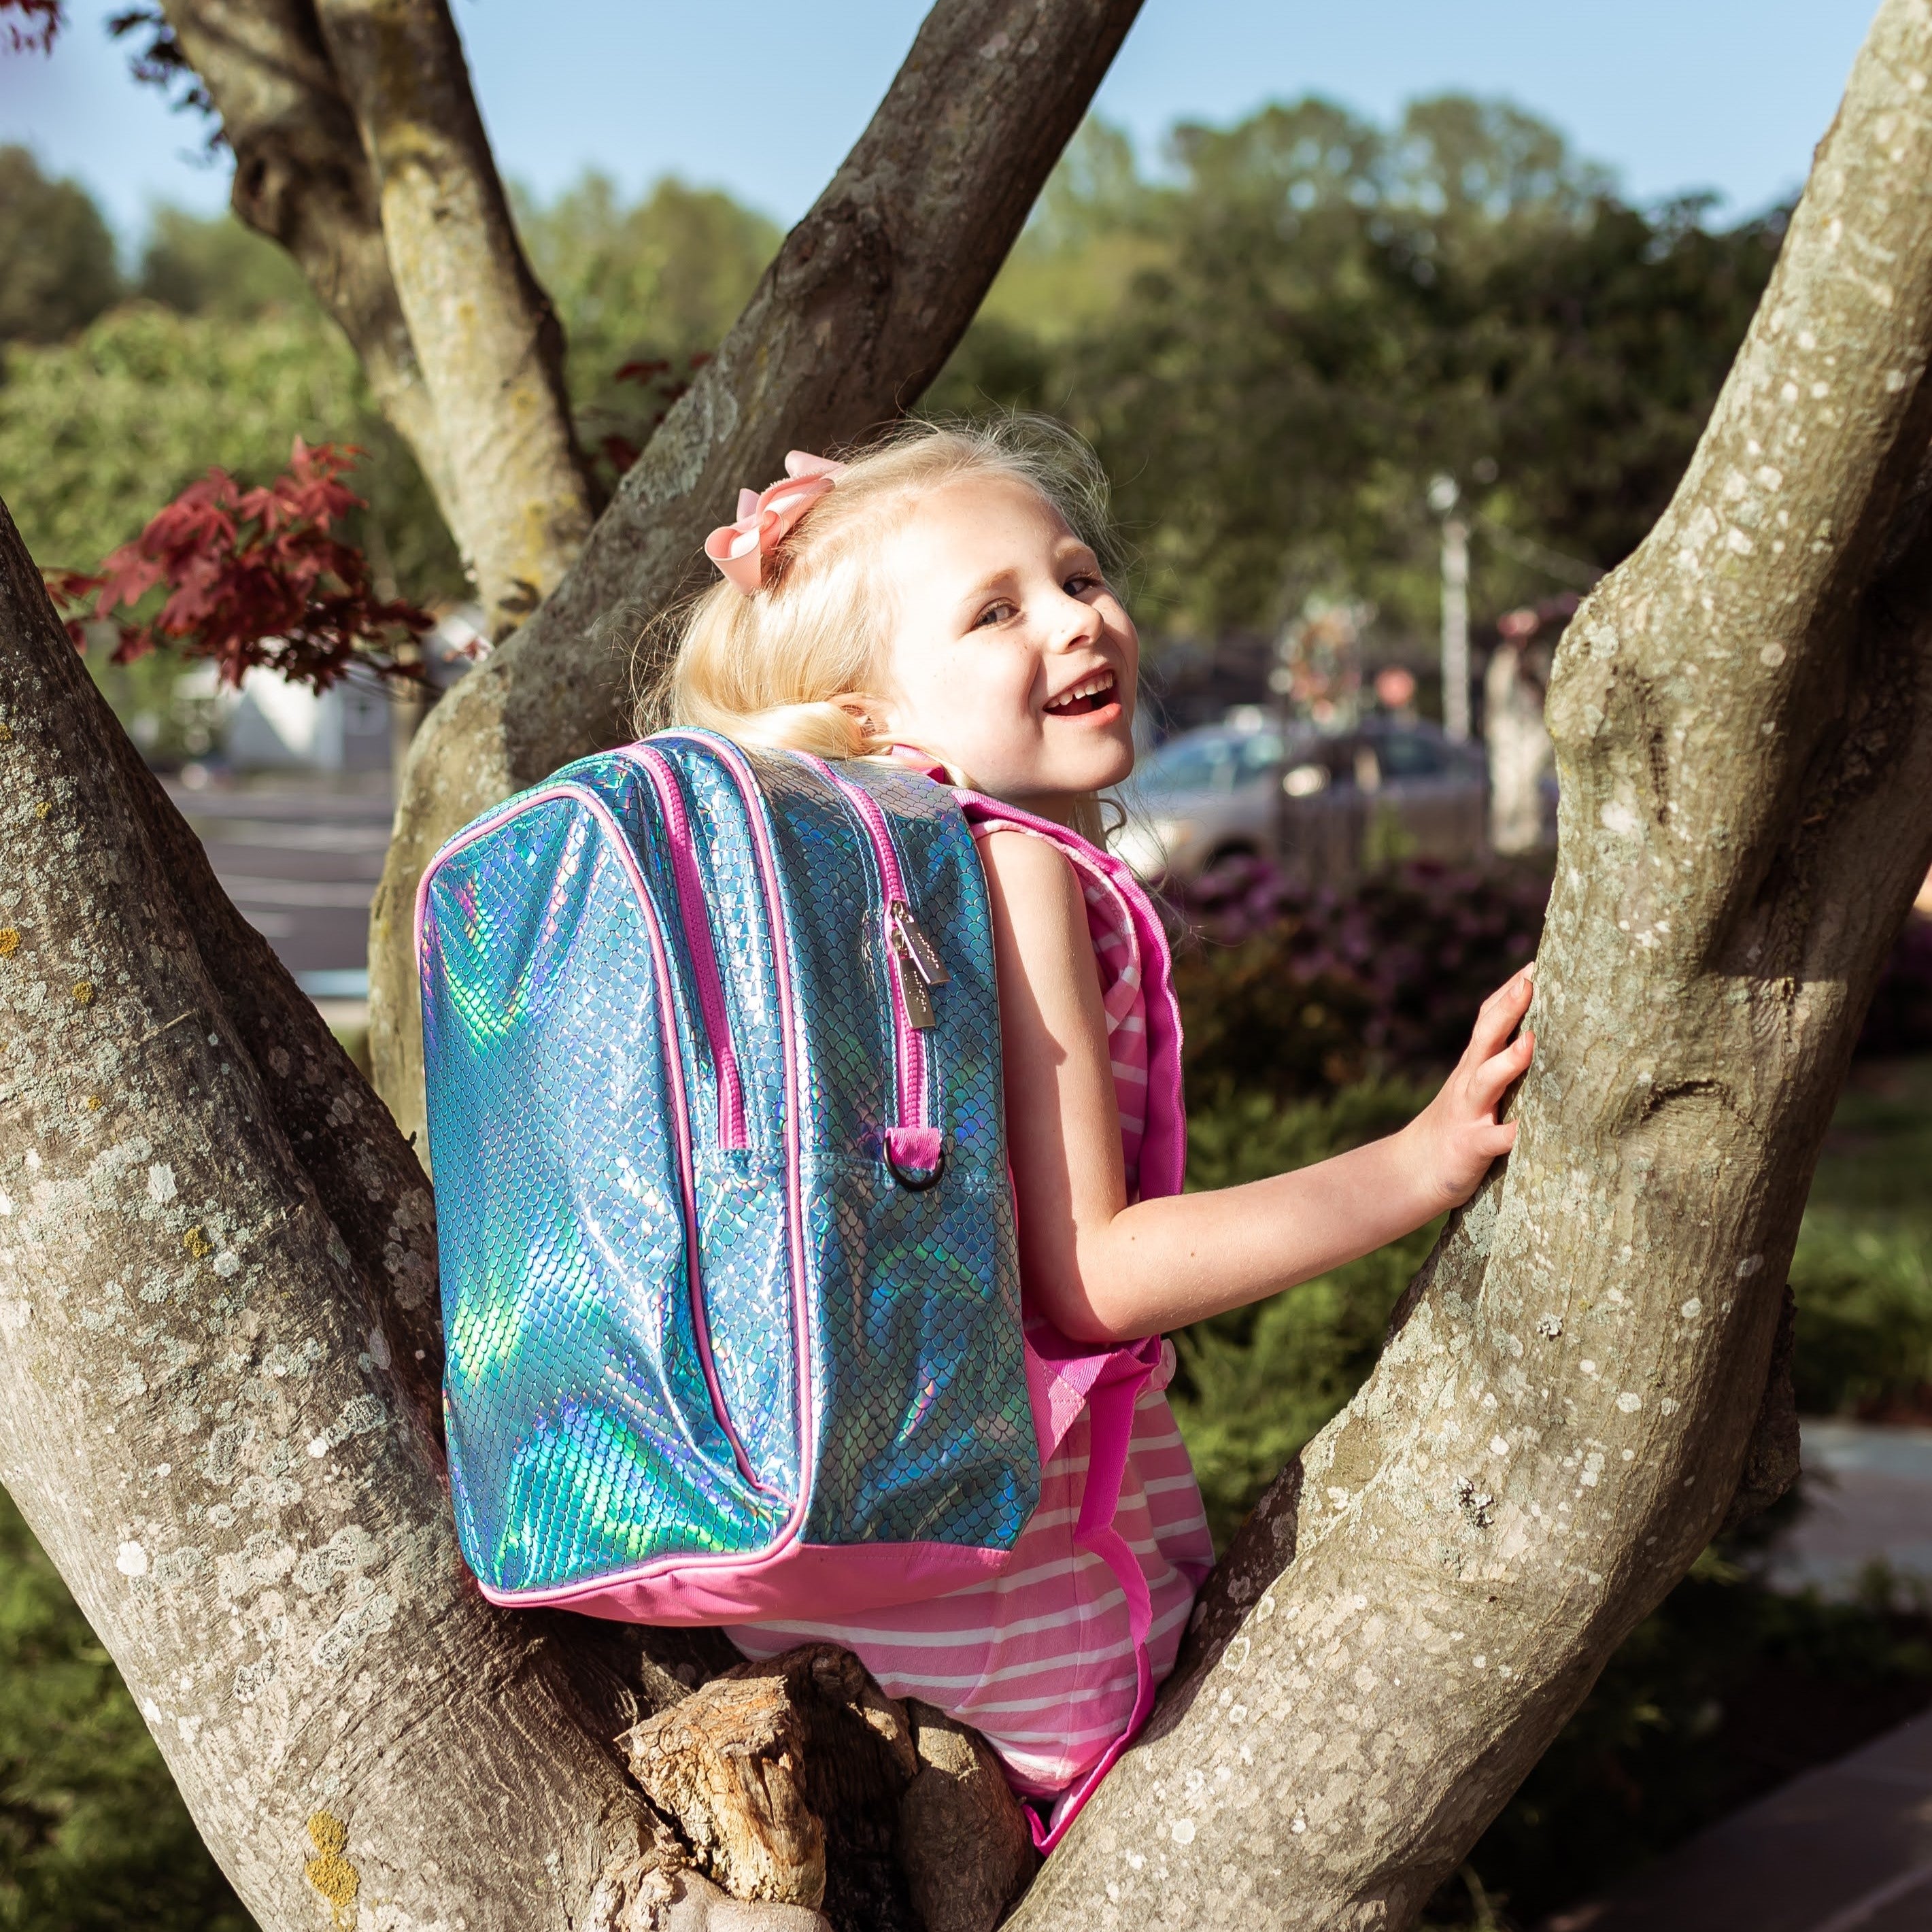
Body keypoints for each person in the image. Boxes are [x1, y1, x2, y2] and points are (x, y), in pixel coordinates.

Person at [654, 418, 1536, 1824]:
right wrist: (1417, 1160)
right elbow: (1092, 1273)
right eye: (995, 609)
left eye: (1074, 575)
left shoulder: (848, 899)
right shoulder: (1006, 867)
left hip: (821, 1567)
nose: (1078, 619)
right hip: (1019, 1616)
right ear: (871, 717)